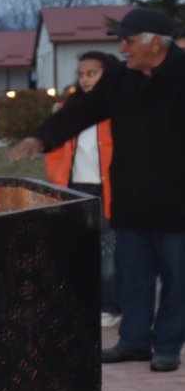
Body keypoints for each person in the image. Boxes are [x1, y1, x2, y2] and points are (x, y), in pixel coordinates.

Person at [10, 8, 185, 372]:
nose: (122, 48)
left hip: (177, 204)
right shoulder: (120, 78)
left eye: (129, 40)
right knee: (132, 277)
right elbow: (82, 111)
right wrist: (40, 136)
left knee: (177, 281)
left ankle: (167, 344)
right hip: (131, 199)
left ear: (155, 43)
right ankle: (134, 342)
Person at [43, 52, 123, 328]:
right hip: (75, 191)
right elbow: (55, 150)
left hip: (107, 191)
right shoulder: (71, 109)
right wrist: (58, 183)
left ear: (108, 74)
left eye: (92, 73)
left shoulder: (117, 109)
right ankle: (82, 302)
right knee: (78, 250)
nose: (85, 79)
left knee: (108, 253)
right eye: (81, 74)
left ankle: (110, 306)